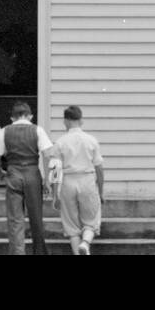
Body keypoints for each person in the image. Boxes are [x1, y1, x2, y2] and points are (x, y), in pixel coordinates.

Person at [0, 101, 57, 255]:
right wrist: (48, 179)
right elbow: (48, 154)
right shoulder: (38, 130)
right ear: (30, 116)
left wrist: (0, 172)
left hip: (14, 173)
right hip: (33, 173)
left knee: (15, 219)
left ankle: (18, 252)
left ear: (12, 118)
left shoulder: (5, 130)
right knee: (36, 217)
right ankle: (39, 252)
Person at [53, 105, 105, 255]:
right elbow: (99, 169)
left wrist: (55, 193)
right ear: (81, 120)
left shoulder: (60, 142)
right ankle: (85, 242)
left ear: (66, 121)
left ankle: (79, 250)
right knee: (92, 219)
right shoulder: (91, 140)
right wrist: (100, 191)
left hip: (68, 181)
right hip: (87, 180)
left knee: (71, 224)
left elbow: (55, 170)